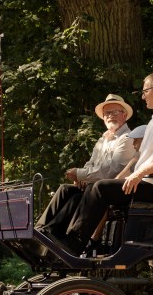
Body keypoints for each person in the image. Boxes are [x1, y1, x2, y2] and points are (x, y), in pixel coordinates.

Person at [63, 72, 153, 255]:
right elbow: (139, 159)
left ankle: (73, 245)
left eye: (145, 91)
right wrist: (127, 175)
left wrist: (139, 174)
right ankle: (70, 239)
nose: (142, 96)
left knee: (100, 189)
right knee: (94, 187)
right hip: (146, 181)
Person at [35, 93, 137, 239]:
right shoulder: (103, 139)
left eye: (115, 112)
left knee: (80, 196)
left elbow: (111, 169)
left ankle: (59, 236)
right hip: (96, 185)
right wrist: (81, 177)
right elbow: (91, 163)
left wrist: (81, 175)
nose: (110, 116)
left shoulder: (127, 138)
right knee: (65, 189)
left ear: (125, 115)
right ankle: (40, 231)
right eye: (107, 113)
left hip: (115, 189)